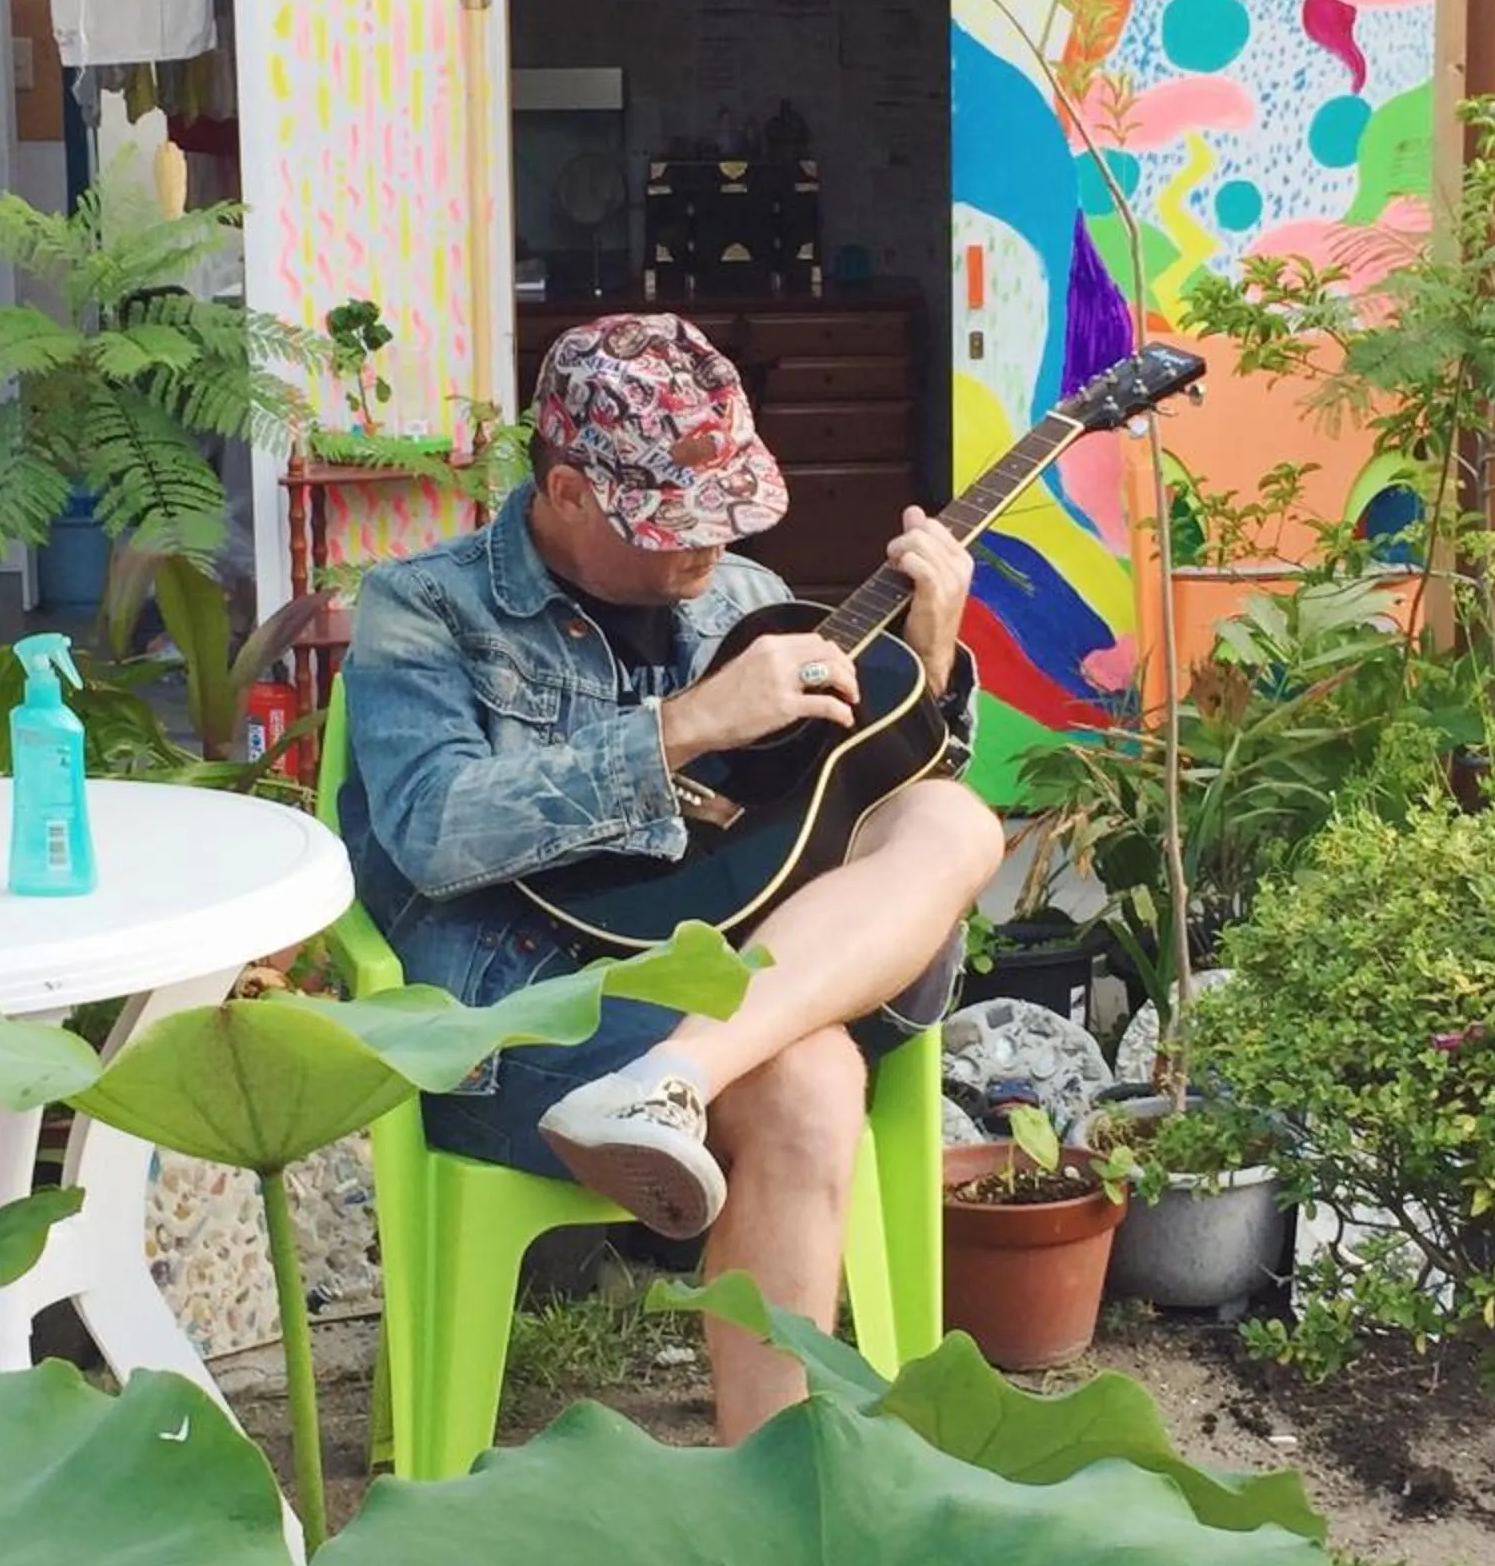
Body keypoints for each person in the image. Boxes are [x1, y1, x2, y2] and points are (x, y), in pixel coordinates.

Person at [337, 313, 1005, 1443]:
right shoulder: (424, 609)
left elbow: (832, 808)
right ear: (565, 492)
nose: (708, 548)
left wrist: (929, 665)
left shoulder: (739, 596)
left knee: (950, 816)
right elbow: (434, 831)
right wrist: (682, 727)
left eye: (726, 514)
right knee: (812, 1074)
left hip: (728, 980)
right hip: (526, 1005)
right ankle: (779, 1474)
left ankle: (682, 1084)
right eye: (674, 523)